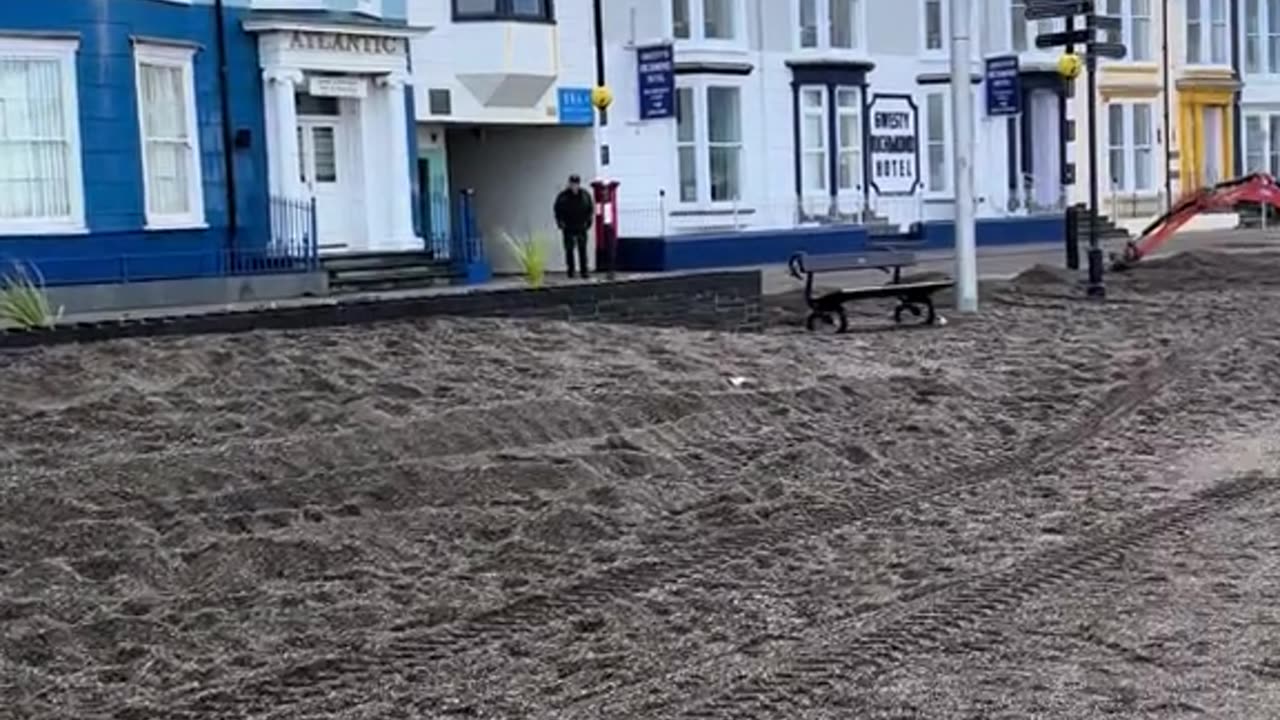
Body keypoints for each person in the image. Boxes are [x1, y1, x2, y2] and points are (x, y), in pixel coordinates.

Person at [553, 174, 594, 279]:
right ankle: (571, 271)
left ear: (579, 184)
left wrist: (589, 221)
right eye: (572, 184)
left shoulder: (585, 195)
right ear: (569, 184)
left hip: (581, 226)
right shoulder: (563, 196)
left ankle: (584, 271)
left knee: (582, 249)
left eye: (576, 184)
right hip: (568, 227)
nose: (574, 186)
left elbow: (590, 209)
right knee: (569, 250)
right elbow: (557, 210)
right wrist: (560, 222)